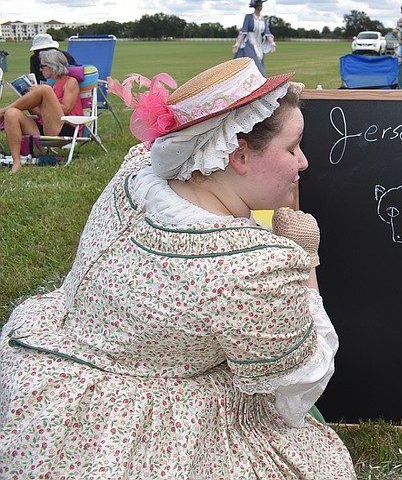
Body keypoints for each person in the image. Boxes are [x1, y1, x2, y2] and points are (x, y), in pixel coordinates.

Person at [0, 58, 356, 478]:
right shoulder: (253, 266)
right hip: (132, 427)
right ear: (238, 153)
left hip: (51, 374)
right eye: (292, 148)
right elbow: (298, 386)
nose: (304, 164)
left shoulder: (136, 173)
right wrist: (304, 258)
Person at [0, 50, 82, 173]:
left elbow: (66, 109)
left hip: (66, 126)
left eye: (42, 66)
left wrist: (44, 97)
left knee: (44, 90)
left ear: (53, 66)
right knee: (11, 113)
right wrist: (31, 101)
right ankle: (16, 162)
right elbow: (43, 114)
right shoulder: (52, 86)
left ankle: (1, 111)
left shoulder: (70, 82)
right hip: (46, 127)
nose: (40, 70)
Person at [232, 0, 276, 77]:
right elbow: (244, 31)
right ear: (255, 7)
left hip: (259, 44)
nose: (260, 7)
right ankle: (262, 79)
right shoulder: (248, 17)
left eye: (261, 6)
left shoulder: (264, 19)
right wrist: (238, 43)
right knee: (253, 63)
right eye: (259, 6)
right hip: (249, 42)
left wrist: (272, 42)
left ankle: (259, 82)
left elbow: (267, 32)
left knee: (259, 61)